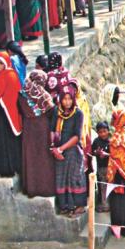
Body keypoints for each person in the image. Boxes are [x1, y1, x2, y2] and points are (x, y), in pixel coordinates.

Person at [0, 52, 23, 177]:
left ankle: (10, 168)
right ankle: (2, 167)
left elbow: (12, 95)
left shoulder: (11, 75)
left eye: (1, 63)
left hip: (6, 114)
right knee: (0, 141)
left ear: (6, 63)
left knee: (9, 141)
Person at [50, 85, 86, 216]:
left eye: (69, 99)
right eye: (64, 99)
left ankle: (78, 205)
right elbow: (52, 130)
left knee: (74, 178)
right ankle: (65, 206)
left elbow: (77, 136)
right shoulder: (56, 111)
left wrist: (60, 149)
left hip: (72, 151)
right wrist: (53, 148)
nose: (67, 102)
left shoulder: (78, 114)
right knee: (61, 178)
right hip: (58, 151)